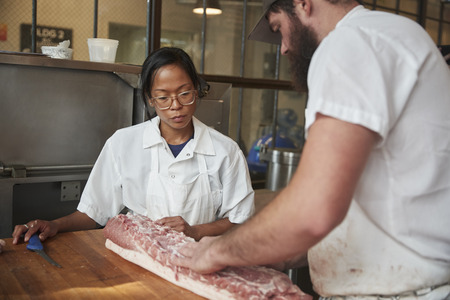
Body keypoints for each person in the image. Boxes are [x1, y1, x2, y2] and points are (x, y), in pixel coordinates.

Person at [172, 0, 450, 298]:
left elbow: (313, 211)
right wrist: (274, 247)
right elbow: (373, 204)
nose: (283, 48)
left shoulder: (348, 43)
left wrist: (217, 251)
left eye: (279, 28)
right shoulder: (396, 33)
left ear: (303, 4)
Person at [12, 47, 254, 245]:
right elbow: (94, 212)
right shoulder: (123, 143)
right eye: (163, 97)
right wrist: (54, 225)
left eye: (184, 94)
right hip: (138, 260)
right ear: (150, 99)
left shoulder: (225, 151)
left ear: (197, 90)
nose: (175, 105)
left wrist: (195, 231)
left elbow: (239, 220)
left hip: (200, 262)